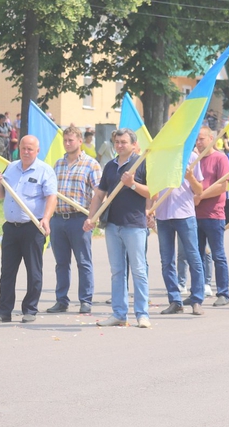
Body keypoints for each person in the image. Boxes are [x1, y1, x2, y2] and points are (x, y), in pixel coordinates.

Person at [84, 129, 150, 328]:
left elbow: (151, 192)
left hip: (135, 225)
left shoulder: (141, 163)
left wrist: (132, 184)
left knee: (138, 270)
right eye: (117, 142)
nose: (120, 145)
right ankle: (119, 314)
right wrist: (91, 217)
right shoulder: (110, 167)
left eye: (124, 142)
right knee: (117, 271)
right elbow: (99, 195)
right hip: (112, 225)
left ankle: (142, 314)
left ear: (133, 144)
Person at [0, 135, 57, 324]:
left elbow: (52, 197)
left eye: (30, 149)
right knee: (7, 272)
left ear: (37, 151)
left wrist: (46, 218)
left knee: (33, 270)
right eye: (23, 148)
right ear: (19, 148)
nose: (26, 152)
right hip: (11, 228)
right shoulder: (11, 168)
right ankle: (4, 311)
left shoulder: (45, 171)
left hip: (33, 227)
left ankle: (30, 310)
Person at [46, 126, 99, 315]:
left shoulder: (91, 164)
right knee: (61, 263)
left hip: (79, 219)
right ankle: (61, 300)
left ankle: (85, 300)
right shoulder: (58, 164)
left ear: (79, 141)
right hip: (59, 219)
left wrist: (93, 216)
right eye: (65, 140)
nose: (67, 144)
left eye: (71, 140)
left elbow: (99, 193)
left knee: (83, 261)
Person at [152, 153, 206, 316]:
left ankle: (196, 300)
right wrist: (150, 209)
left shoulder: (191, 157)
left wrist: (190, 177)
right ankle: (175, 301)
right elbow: (153, 189)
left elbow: (199, 190)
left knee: (193, 257)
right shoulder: (158, 156)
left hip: (184, 214)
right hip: (162, 215)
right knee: (167, 261)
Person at [190, 126, 229, 303]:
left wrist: (200, 196)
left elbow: (223, 186)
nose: (198, 143)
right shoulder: (194, 160)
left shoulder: (220, 158)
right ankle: (197, 293)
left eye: (202, 139)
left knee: (218, 254)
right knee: (196, 255)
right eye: (197, 140)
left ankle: (223, 293)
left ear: (211, 139)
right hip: (194, 214)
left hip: (214, 214)